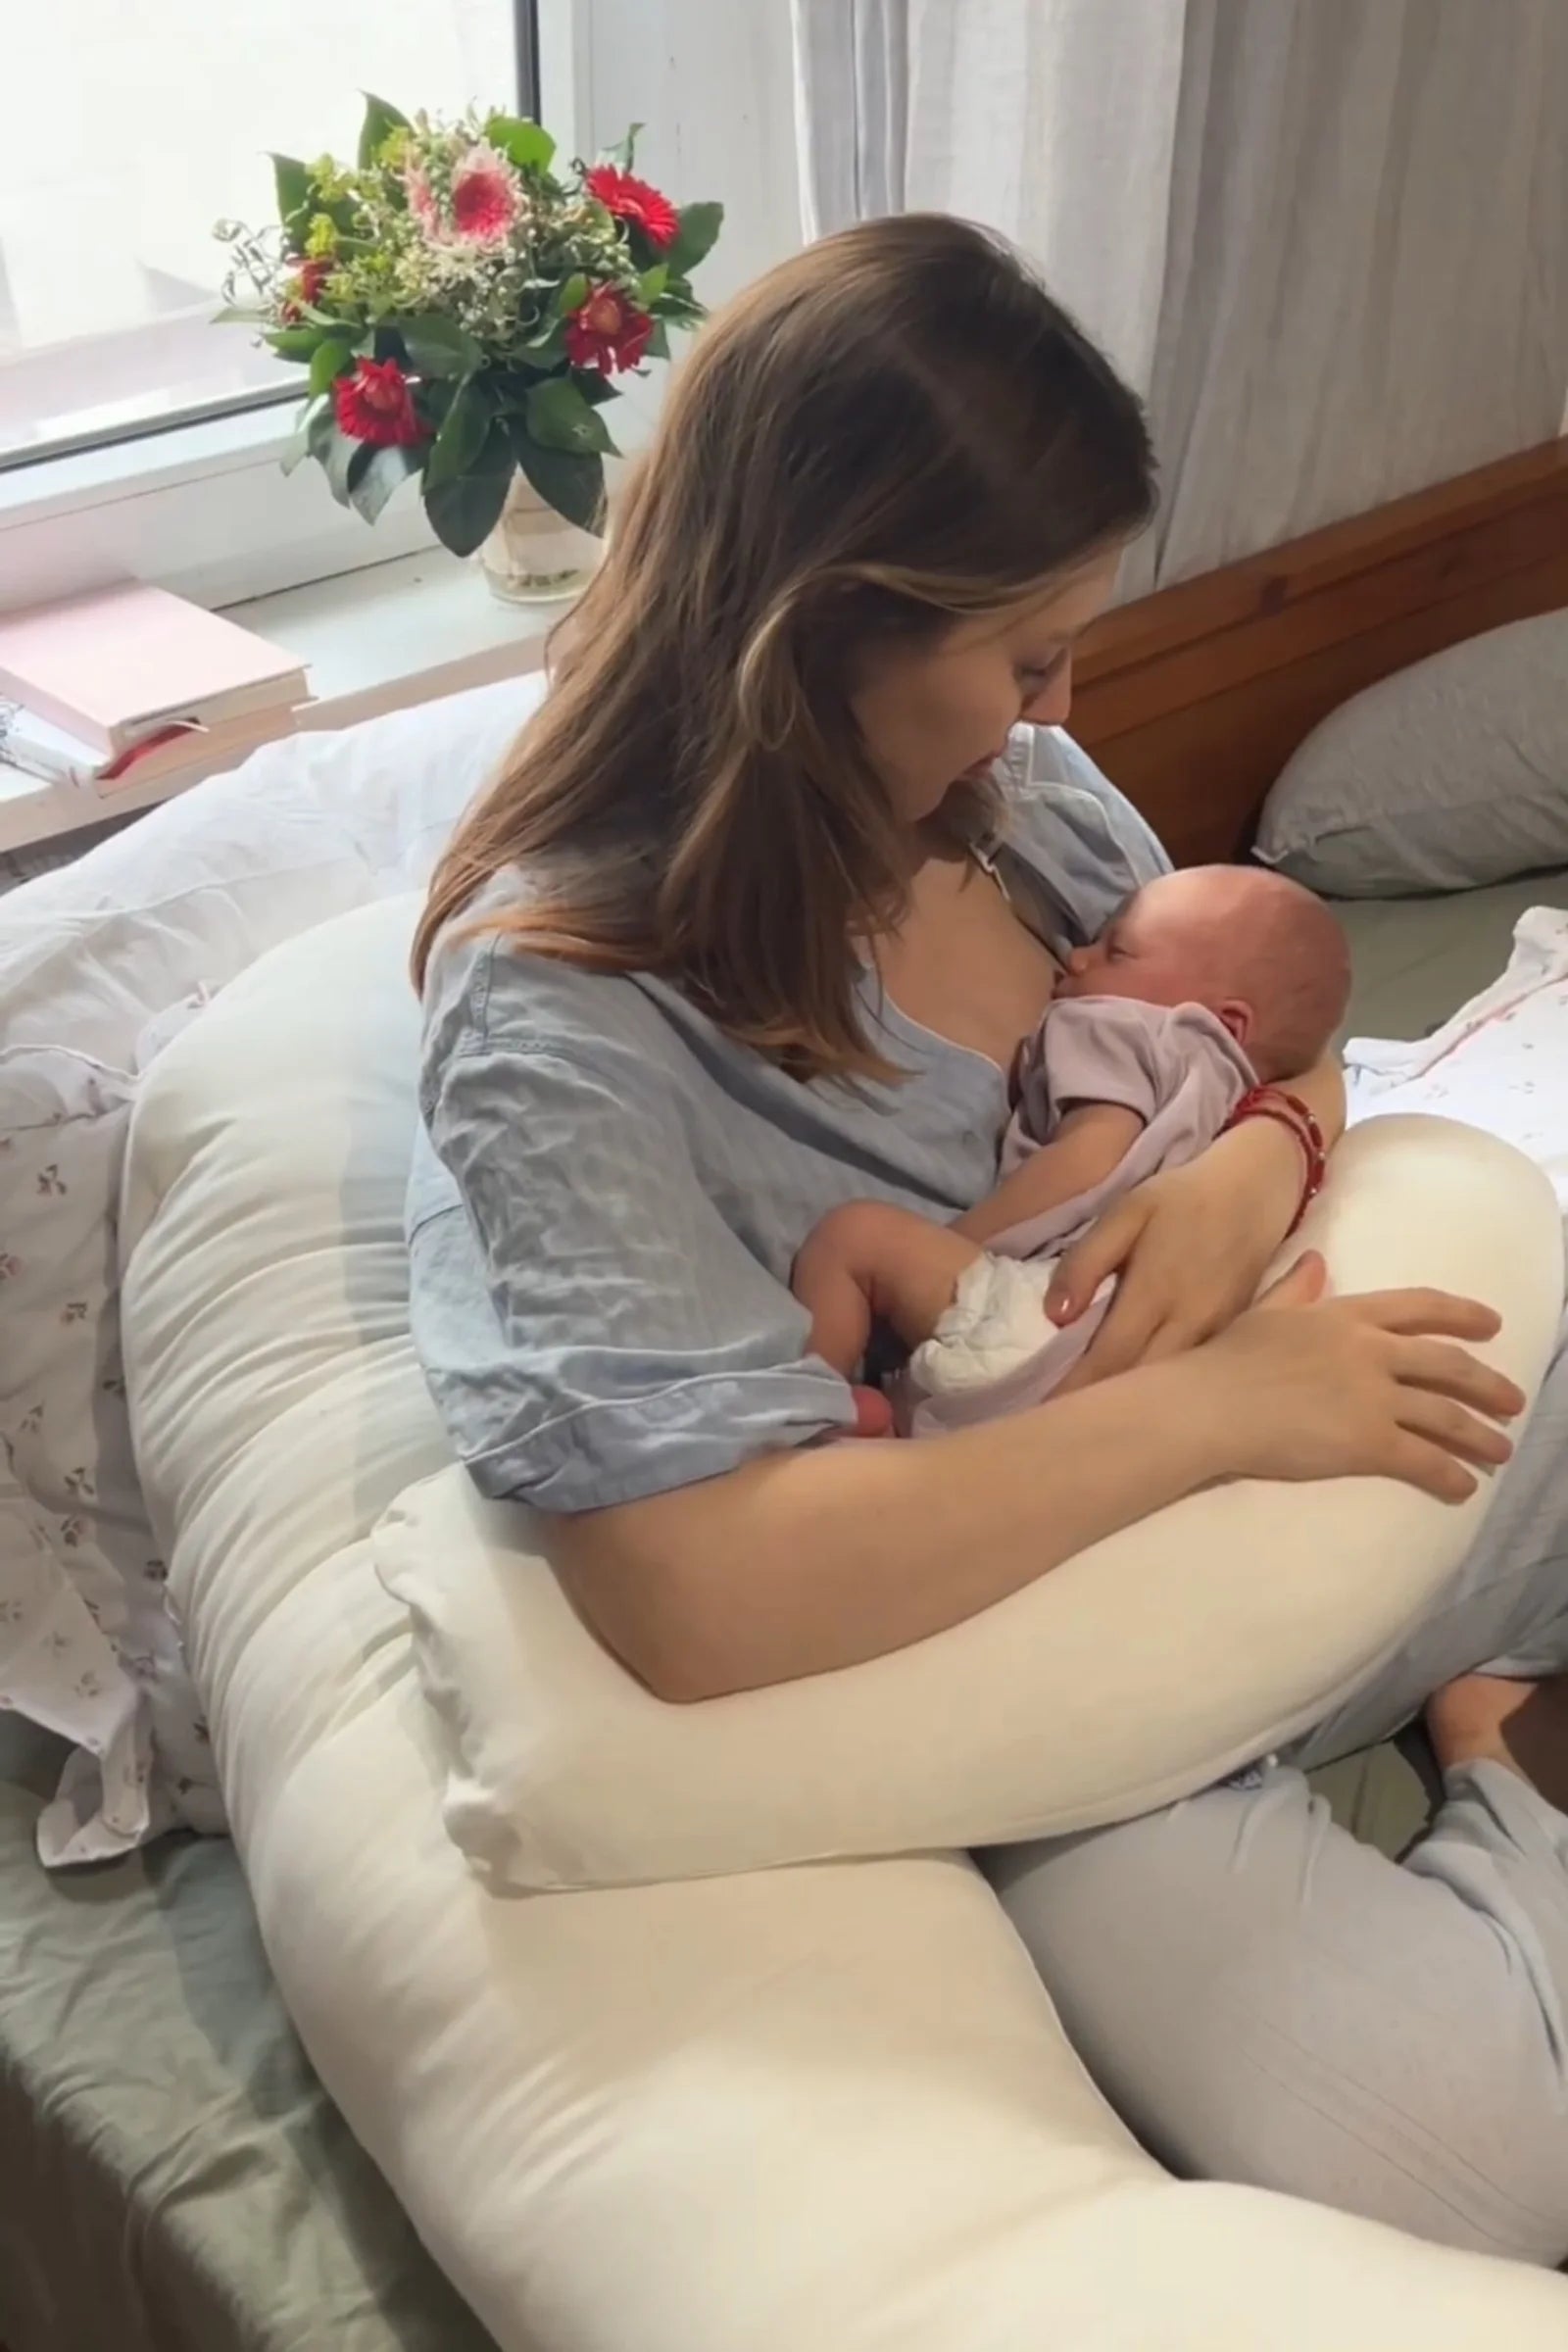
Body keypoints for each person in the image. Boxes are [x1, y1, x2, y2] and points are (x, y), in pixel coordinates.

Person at [407, 214, 1568, 2263]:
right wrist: (1215, 1413)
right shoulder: (566, 1023)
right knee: (1474, 2171)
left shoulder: (1018, 810)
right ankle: (1511, 1753)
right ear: (814, 635)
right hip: (1061, 1647)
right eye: (1022, 659)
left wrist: (1260, 1161)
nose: (1061, 707)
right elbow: (697, 1596)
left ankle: (1475, 1678)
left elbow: (1269, 1033)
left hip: (1317, 1458)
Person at [792, 866, 1351, 1427]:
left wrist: (963, 1243)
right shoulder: (1240, 1082)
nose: (1077, 959)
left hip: (1057, 1308)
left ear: (1225, 1020)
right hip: (1174, 1331)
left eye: (1117, 952)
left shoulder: (1119, 1025)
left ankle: (812, 1415)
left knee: (852, 1238)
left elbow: (1089, 1158)